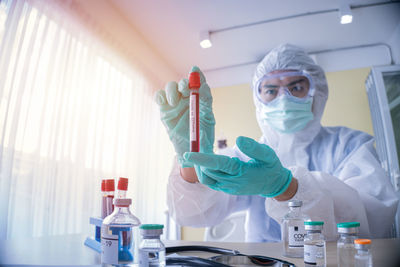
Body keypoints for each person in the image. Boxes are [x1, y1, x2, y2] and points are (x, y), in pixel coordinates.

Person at [154, 44, 399, 242]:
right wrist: (192, 159)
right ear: (259, 100)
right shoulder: (246, 155)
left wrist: (287, 187)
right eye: (271, 90)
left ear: (317, 91)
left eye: (296, 87)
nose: (284, 98)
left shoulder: (350, 145)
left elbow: (372, 221)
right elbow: (195, 215)